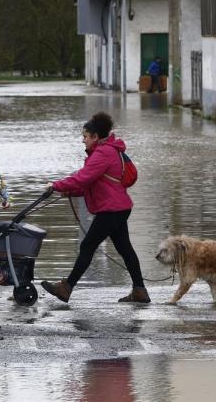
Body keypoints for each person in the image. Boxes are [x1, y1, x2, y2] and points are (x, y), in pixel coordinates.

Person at [41, 112, 150, 304]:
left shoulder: (103, 153)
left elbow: (83, 178)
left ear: (95, 136)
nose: (83, 140)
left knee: (87, 245)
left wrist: (56, 185)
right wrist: (70, 192)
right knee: (125, 249)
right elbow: (93, 185)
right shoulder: (108, 151)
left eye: (85, 136)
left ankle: (66, 288)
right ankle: (140, 291)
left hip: (111, 210)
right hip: (118, 207)